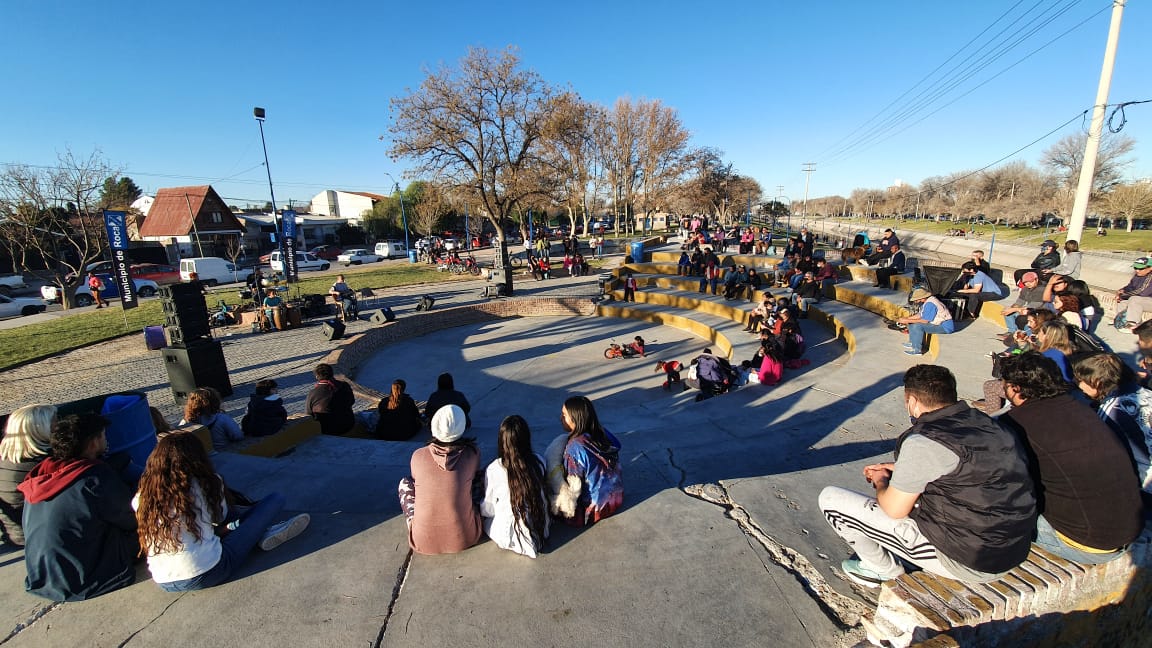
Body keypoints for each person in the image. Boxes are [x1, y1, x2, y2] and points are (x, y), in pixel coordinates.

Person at [819, 365, 1036, 588]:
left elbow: (894, 510)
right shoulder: (987, 425)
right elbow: (970, 468)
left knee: (831, 500)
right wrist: (899, 467)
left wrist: (880, 480)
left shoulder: (924, 442)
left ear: (912, 401)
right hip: (1013, 546)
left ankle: (881, 570)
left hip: (970, 560)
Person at [999, 353, 1144, 563]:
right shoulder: (1080, 408)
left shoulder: (1014, 424)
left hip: (1089, 544)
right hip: (1128, 530)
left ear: (1014, 388)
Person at [132, 433, 310, 591]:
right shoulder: (203, 484)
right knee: (275, 500)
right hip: (209, 571)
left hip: (164, 581)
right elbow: (222, 517)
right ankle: (262, 533)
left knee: (217, 527)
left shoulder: (142, 497)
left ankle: (259, 533)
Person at [20, 414, 139, 601]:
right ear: (93, 443)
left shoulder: (41, 474)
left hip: (43, 572)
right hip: (83, 575)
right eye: (103, 435)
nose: (106, 439)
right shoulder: (95, 479)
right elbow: (131, 518)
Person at [398, 405, 482, 554]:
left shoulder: (418, 455)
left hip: (421, 541)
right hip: (466, 537)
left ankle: (416, 522)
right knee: (478, 480)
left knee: (405, 483)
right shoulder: (472, 454)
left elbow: (417, 483)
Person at [1072, 353, 1152, 506]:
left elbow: (1112, 458)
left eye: (1081, 380)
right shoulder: (1145, 392)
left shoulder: (1110, 411)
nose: (1079, 385)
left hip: (1146, 485)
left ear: (1096, 382)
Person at [481, 415, 550, 558]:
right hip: (542, 529)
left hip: (511, 536)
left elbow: (488, 510)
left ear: (502, 442)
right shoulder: (539, 461)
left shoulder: (495, 468)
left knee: (485, 521)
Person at [556, 396, 623, 526]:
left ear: (575, 419)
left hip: (594, 509)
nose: (561, 418)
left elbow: (574, 485)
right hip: (615, 497)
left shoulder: (574, 448)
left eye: (564, 415)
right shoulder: (602, 434)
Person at [0, 404, 55, 548]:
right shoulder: (41, 465)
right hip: (33, 535)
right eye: (54, 422)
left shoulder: (7, 457)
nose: (59, 425)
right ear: (39, 430)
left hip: (12, 532)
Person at [896, 288, 955, 356]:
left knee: (917, 326)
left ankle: (917, 349)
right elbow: (920, 314)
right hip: (938, 323)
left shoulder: (930, 304)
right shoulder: (928, 301)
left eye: (916, 299)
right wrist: (907, 319)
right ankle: (912, 343)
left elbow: (925, 320)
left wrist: (907, 320)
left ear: (922, 298)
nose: (915, 300)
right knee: (912, 323)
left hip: (945, 327)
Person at [306, 363, 356, 435]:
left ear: (317, 377)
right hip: (348, 424)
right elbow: (352, 401)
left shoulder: (313, 393)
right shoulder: (344, 385)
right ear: (332, 373)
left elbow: (309, 413)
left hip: (327, 429)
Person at [998, 272, 1046, 338]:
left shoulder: (1041, 289)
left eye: (1031, 282)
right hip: (1029, 310)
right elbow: (1019, 302)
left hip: (1039, 312)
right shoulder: (1025, 289)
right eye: (1025, 282)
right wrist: (1011, 308)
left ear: (1036, 280)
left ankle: (1028, 336)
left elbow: (1032, 306)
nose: (1028, 284)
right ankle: (1012, 332)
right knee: (1008, 310)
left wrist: (1014, 309)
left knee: (1022, 315)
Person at [1115, 257, 1152, 329]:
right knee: (1123, 302)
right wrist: (1122, 290)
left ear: (1150, 268)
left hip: (1148, 300)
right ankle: (1121, 322)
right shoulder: (1137, 275)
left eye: (1141, 268)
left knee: (1134, 300)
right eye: (1135, 267)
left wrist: (1123, 295)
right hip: (1143, 301)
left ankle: (1133, 325)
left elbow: (1143, 292)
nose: (1137, 270)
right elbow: (1130, 286)